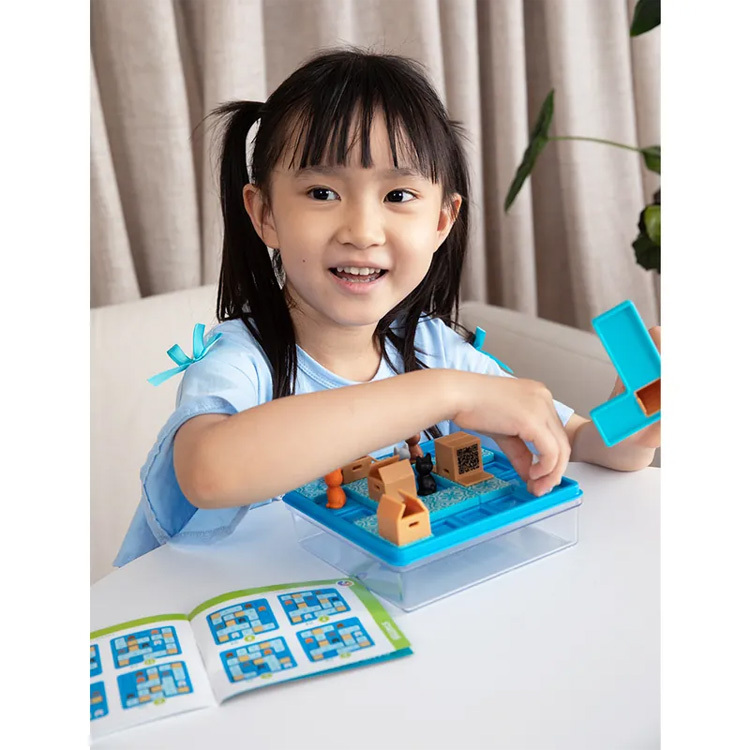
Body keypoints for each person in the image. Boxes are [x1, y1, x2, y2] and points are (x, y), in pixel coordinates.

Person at [114, 48, 660, 567]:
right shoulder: (239, 362)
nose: (362, 231)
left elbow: (571, 440)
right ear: (265, 216)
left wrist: (637, 421)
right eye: (322, 193)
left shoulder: (433, 349)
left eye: (398, 196)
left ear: (442, 221)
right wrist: (445, 393)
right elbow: (210, 472)